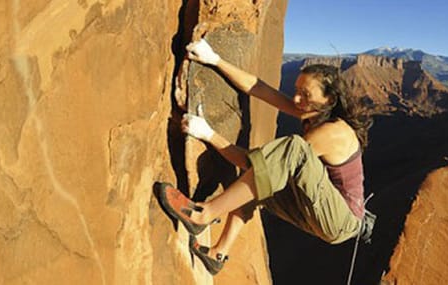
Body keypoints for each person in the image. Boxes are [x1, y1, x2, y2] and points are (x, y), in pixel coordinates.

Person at [157, 39, 373, 275]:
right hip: (325, 210)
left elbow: (255, 163)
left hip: (341, 221)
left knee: (289, 152)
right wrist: (214, 59)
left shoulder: (332, 131)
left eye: (305, 94)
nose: (297, 99)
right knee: (260, 181)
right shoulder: (314, 110)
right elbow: (260, 89)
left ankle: (202, 214)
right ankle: (217, 254)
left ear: (329, 99)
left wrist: (209, 134)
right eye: (296, 90)